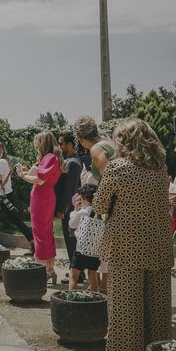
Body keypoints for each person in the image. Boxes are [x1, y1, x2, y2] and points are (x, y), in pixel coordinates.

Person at [93, 118, 173, 351]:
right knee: (158, 309)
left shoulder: (117, 167)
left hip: (126, 247)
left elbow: (100, 206)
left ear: (124, 141)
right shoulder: (160, 168)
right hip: (158, 245)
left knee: (126, 309)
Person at [74, 116, 115, 292]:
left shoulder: (96, 150)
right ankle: (102, 288)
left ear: (80, 139)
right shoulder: (107, 140)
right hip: (117, 202)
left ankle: (104, 292)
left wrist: (101, 203)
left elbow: (111, 179)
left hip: (114, 205)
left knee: (104, 250)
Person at [16, 131, 64, 284]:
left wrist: (22, 175)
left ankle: (42, 269)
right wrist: (26, 172)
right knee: (46, 232)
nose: (36, 146)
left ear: (43, 143)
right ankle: (49, 270)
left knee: (40, 233)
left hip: (42, 198)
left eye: (37, 143)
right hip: (45, 197)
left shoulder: (50, 157)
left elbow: (39, 180)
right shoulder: (51, 158)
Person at [0, 141, 34, 252]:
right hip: (1, 196)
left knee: (14, 221)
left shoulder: (2, 162)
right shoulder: (0, 161)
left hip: (5, 197)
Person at [55, 131, 83, 281]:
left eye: (61, 144)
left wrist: (62, 210)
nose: (59, 147)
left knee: (72, 241)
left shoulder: (72, 163)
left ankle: (76, 274)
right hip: (71, 209)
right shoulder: (72, 161)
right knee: (73, 241)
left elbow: (69, 190)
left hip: (70, 210)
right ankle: (79, 272)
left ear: (70, 145)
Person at [68, 185, 101, 291]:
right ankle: (95, 299)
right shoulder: (100, 213)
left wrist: (75, 210)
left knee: (73, 275)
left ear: (84, 199)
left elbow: (72, 225)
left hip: (82, 250)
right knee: (93, 275)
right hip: (94, 250)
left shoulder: (83, 212)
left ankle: (71, 300)